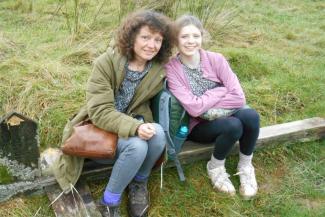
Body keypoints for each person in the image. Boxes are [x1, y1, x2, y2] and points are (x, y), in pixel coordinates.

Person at [52, 10, 172, 217]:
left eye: (157, 40)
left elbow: (188, 68)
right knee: (136, 146)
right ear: (131, 36)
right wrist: (135, 127)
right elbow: (99, 110)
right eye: (145, 37)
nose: (151, 45)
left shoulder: (158, 69)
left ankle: (138, 183)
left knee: (159, 133)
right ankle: (109, 202)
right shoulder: (105, 63)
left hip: (133, 122)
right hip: (99, 130)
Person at [165, 15, 260, 199]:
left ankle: (245, 166)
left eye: (195, 36)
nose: (191, 41)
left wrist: (207, 106)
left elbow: (239, 97)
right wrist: (218, 92)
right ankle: (216, 166)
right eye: (184, 37)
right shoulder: (172, 68)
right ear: (176, 40)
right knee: (233, 125)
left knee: (251, 117)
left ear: (202, 37)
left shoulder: (216, 59)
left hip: (220, 112)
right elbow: (193, 109)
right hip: (198, 125)